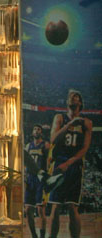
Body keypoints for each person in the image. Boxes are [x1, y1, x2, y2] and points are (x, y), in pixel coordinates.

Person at [47, 89, 92, 238]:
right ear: (67, 102)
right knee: (55, 206)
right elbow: (53, 139)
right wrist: (70, 124)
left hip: (74, 166)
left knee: (72, 207)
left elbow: (85, 148)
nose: (73, 98)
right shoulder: (60, 118)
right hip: (59, 165)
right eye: (71, 97)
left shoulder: (87, 123)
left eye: (76, 97)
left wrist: (69, 163)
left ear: (80, 103)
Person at [24, 125, 50, 238]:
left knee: (40, 210)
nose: (36, 131)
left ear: (41, 132)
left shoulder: (45, 145)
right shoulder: (28, 146)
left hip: (40, 179)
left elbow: (49, 160)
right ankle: (34, 235)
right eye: (34, 129)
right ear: (32, 132)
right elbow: (25, 162)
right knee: (28, 209)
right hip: (30, 178)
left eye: (38, 129)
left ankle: (42, 236)